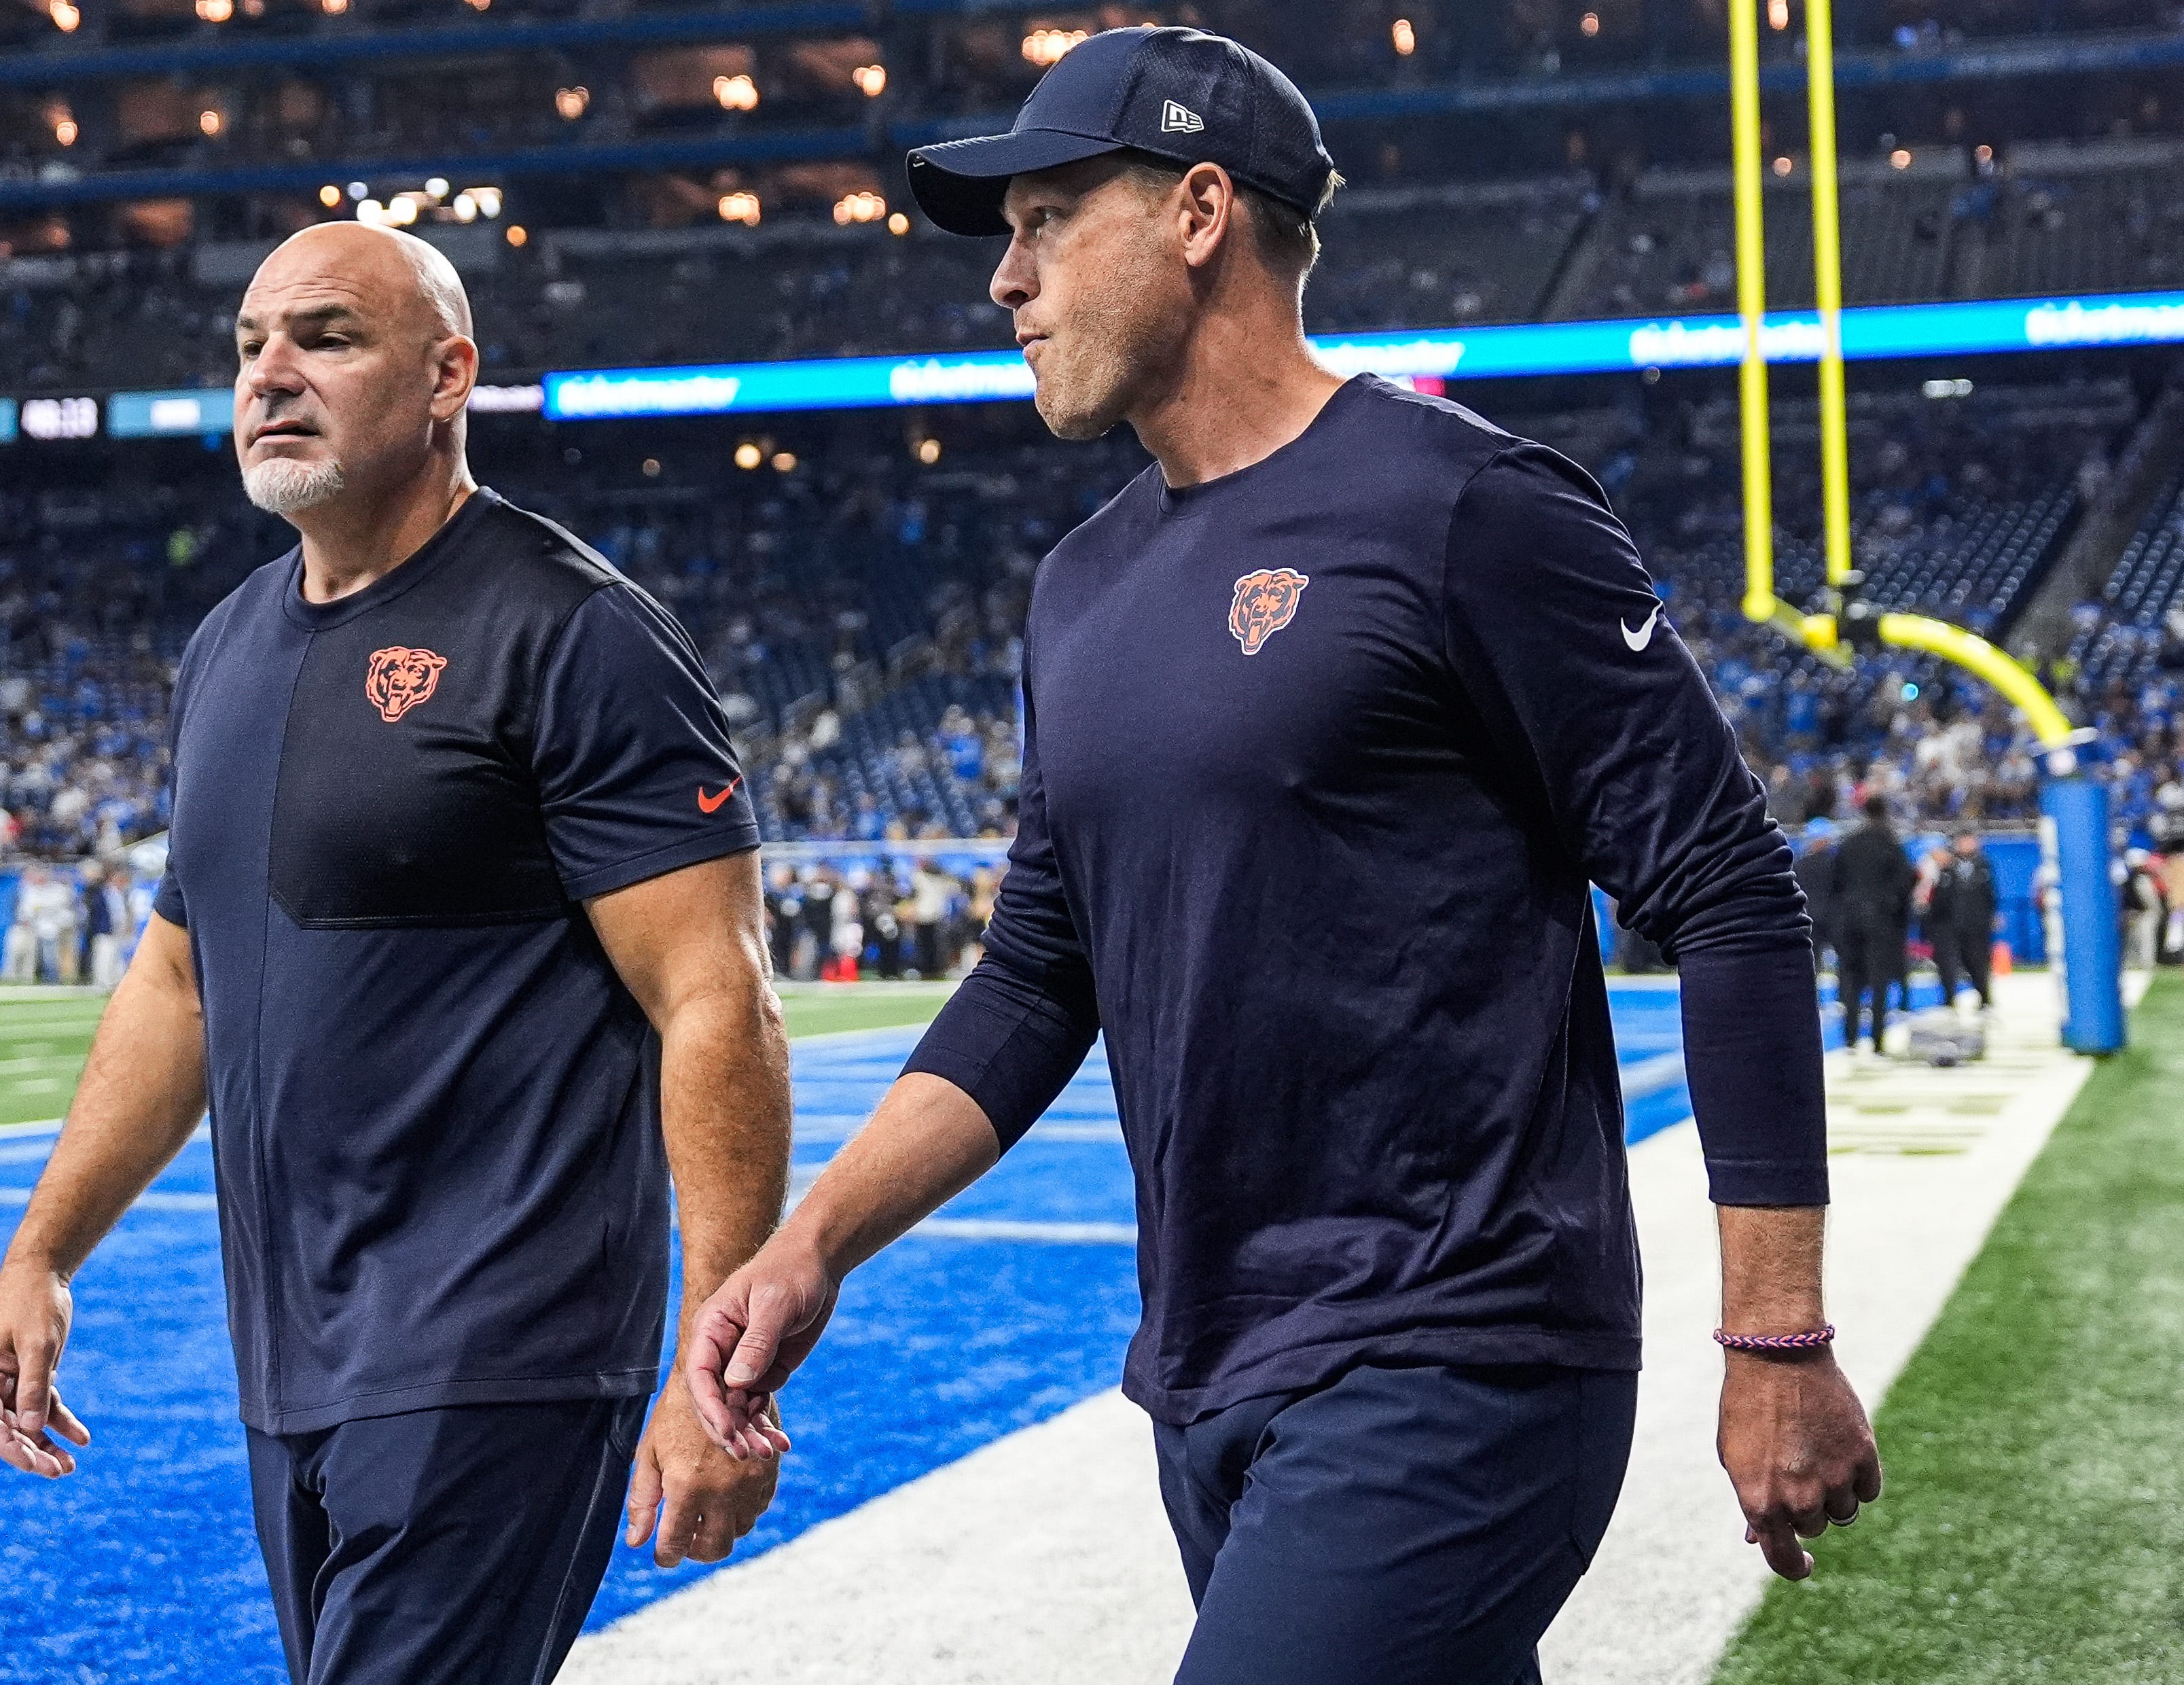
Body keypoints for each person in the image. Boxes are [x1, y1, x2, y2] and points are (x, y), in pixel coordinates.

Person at [687, 29, 1878, 1685]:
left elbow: (1729, 891)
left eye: (1042, 222)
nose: (1003, 282)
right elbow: (1041, 974)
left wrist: (1774, 1331)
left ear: (1195, 212)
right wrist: (810, 1244)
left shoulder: (1462, 508)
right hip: (1209, 1362)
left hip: (1458, 1345)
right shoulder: (1077, 587)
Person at [0, 221, 791, 1685]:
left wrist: (719, 1374)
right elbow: (179, 980)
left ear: (447, 374)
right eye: (249, 346)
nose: (272, 373)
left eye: (328, 337)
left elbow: (715, 996)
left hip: (501, 1347)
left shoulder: (573, 630)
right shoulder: (229, 644)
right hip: (294, 1350)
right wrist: (45, 1252)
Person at [1832, 796, 1916, 1052]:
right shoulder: (1890, 843)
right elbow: (1907, 879)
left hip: (1850, 919)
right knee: (1879, 979)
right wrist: (1892, 904)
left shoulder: (1849, 843)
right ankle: (1877, 1041)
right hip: (1880, 921)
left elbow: (1837, 883)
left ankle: (1850, 1039)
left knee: (1850, 978)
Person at [1932, 829, 1997, 1009]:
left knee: (1978, 961)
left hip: (1976, 922)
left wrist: (1992, 915)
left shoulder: (1983, 865)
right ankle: (1948, 998)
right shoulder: (1947, 867)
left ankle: (1984, 996)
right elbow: (1938, 896)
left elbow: (1990, 893)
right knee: (1947, 962)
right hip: (1951, 923)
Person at [1793, 817, 1840, 978]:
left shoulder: (1799, 864)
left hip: (1809, 916)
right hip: (1832, 916)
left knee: (1812, 963)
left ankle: (1813, 1000)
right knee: (1845, 962)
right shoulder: (1835, 863)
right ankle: (1846, 1000)